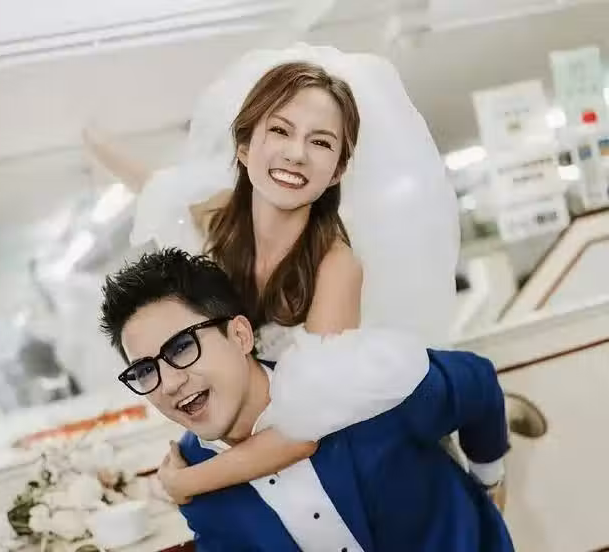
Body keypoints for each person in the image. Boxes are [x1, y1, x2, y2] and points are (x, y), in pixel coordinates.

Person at [88, 44, 476, 503]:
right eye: (280, 130)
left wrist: (183, 483)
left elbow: (304, 430)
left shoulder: (335, 267)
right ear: (245, 146)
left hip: (377, 467)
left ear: (338, 170)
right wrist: (93, 139)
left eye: (321, 142)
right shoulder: (217, 220)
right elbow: (155, 187)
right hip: (278, 467)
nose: (297, 154)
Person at [99, 249, 513, 551]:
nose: (169, 382)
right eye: (145, 370)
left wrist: (489, 478)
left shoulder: (353, 380)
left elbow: (475, 382)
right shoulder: (192, 475)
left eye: (182, 347)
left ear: (240, 335)